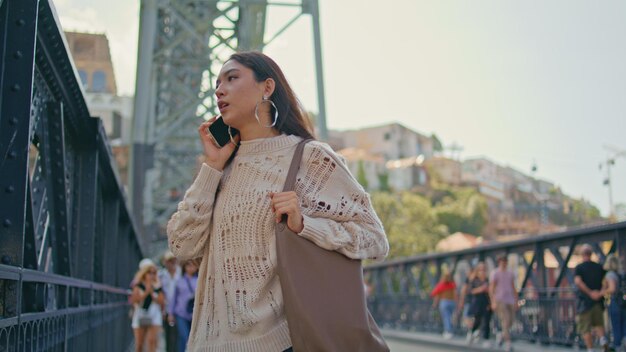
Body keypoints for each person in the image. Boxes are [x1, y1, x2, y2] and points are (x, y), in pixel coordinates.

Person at [166, 51, 389, 352]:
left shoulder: (310, 158)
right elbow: (182, 245)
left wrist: (305, 225)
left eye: (232, 78)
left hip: (278, 342)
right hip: (208, 343)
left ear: (267, 87)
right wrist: (212, 167)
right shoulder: (220, 166)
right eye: (217, 83)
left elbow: (374, 239)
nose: (219, 90)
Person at [574, 244, 609, 352]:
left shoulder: (579, 267)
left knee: (585, 328)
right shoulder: (599, 267)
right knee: (599, 324)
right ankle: (603, 341)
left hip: (585, 302)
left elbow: (578, 282)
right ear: (591, 254)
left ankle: (590, 349)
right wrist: (599, 293)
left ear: (582, 255)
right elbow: (606, 281)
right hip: (598, 301)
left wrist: (590, 293)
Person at [131, 258, 165, 352]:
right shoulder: (138, 285)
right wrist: (147, 291)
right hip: (140, 314)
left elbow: (162, 301)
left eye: (154, 272)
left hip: (154, 315)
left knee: (151, 341)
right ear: (144, 273)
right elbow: (134, 300)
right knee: (139, 344)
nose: (152, 275)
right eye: (149, 272)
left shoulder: (158, 286)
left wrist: (154, 292)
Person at [168, 259, 199, 352]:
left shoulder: (200, 280)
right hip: (181, 313)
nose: (190, 267)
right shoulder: (179, 281)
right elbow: (173, 298)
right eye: (188, 265)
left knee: (186, 339)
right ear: (184, 267)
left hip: (195, 314)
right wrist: (170, 313)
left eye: (193, 265)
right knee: (185, 336)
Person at [489, 255, 518, 352]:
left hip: (510, 299)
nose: (504, 263)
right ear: (499, 262)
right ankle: (508, 344)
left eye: (505, 261)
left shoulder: (510, 273)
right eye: (502, 261)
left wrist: (516, 301)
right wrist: (493, 301)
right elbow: (492, 288)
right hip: (499, 299)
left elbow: (513, 287)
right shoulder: (495, 273)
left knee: (511, 321)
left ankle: (501, 336)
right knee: (505, 320)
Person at [159, 251, 181, 352]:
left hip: (179, 309)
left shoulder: (181, 273)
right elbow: (160, 292)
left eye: (173, 260)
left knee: (178, 335)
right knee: (168, 335)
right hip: (166, 309)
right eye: (169, 261)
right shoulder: (162, 275)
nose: (171, 263)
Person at [604, 254, 626, 351]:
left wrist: (603, 291)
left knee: (616, 325)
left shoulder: (610, 274)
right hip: (624, 302)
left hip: (615, 302)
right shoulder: (622, 274)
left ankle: (618, 347)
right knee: (624, 325)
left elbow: (612, 289)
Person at [468, 261, 492, 348]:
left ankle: (486, 339)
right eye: (480, 269)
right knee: (477, 320)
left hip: (487, 303)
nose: (482, 271)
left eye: (484, 269)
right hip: (477, 303)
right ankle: (472, 332)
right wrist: (481, 289)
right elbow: (471, 291)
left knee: (487, 321)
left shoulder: (488, 280)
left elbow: (492, 292)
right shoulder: (474, 280)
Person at [431, 271, 457, 339]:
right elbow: (455, 295)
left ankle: (448, 331)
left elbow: (436, 295)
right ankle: (450, 330)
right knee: (450, 317)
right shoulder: (452, 285)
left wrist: (434, 304)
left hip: (444, 302)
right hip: (452, 302)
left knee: (446, 317)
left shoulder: (441, 285)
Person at [459, 265, 477, 342]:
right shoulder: (477, 280)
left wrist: (461, 302)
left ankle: (472, 331)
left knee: (467, 317)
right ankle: (473, 331)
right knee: (472, 318)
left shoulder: (468, 280)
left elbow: (463, 291)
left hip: (470, 302)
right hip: (475, 301)